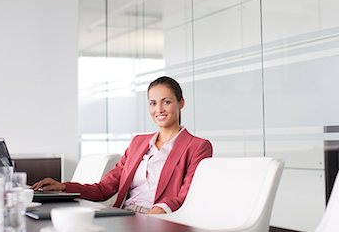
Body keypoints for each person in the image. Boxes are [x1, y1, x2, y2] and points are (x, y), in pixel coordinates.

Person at [31, 76, 212, 214]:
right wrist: (63, 187)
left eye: (166, 102)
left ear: (181, 103)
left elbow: (186, 196)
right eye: (153, 103)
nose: (159, 110)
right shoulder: (138, 143)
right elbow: (104, 189)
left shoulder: (197, 146)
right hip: (122, 214)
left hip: (158, 217)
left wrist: (157, 212)